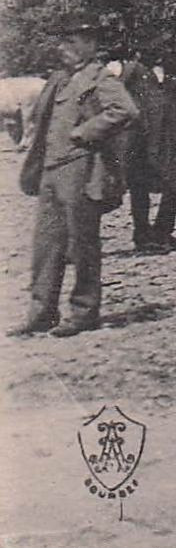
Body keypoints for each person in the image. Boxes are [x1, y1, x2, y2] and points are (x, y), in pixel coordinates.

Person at [10, 19, 137, 338]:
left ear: (89, 45)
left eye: (71, 42)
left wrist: (84, 132)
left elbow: (125, 110)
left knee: (83, 244)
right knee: (46, 245)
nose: (62, 49)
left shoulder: (100, 78)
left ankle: (84, 311)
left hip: (82, 169)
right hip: (51, 171)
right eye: (62, 42)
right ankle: (42, 312)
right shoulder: (57, 80)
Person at [119, 51, 176, 251]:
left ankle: (163, 231)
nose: (159, 49)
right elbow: (119, 98)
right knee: (140, 186)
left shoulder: (174, 69)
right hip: (143, 136)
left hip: (173, 134)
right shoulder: (133, 69)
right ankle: (142, 235)